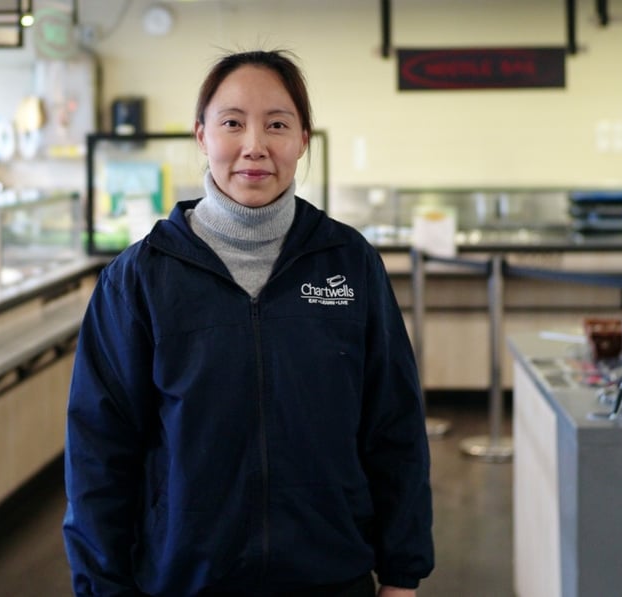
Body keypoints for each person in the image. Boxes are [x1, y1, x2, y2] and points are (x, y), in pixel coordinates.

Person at [62, 49, 434, 596]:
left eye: (277, 124)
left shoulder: (349, 263)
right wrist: (102, 587)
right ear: (201, 135)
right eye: (232, 123)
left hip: (330, 577)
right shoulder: (139, 278)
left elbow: (393, 426)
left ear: (304, 138)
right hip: (183, 581)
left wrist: (403, 573)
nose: (254, 146)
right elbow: (99, 449)